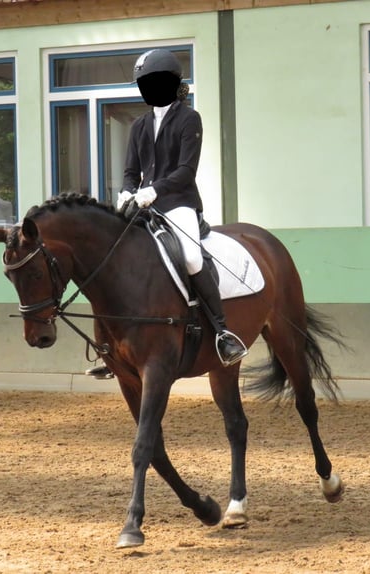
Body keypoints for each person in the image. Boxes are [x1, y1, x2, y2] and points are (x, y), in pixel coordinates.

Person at [116, 48, 248, 367]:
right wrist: (125, 192)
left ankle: (222, 332)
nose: (148, 89)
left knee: (190, 256)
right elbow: (131, 171)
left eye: (155, 82)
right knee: (118, 255)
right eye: (143, 83)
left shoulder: (189, 119)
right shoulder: (138, 126)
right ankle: (115, 343)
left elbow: (186, 170)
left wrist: (154, 191)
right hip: (144, 205)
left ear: (173, 83)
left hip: (179, 203)